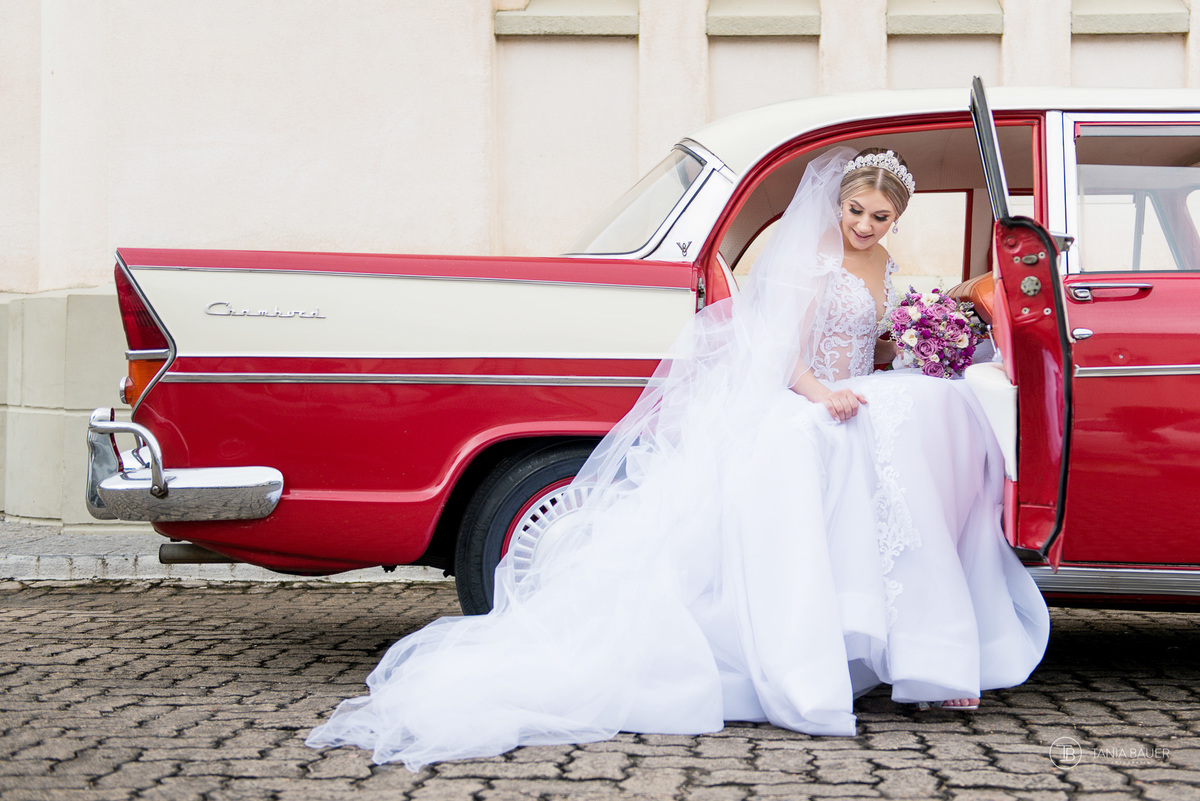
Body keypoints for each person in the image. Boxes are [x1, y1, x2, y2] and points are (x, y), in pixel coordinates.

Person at [306, 146, 1050, 770]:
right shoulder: (817, 256)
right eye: (854, 210)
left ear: (896, 220)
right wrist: (820, 392)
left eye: (878, 217)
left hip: (854, 388)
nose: (862, 224)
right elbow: (777, 350)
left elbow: (870, 340)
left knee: (923, 428)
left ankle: (907, 639)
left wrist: (914, 345)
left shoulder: (883, 262)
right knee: (830, 447)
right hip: (803, 395)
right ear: (839, 205)